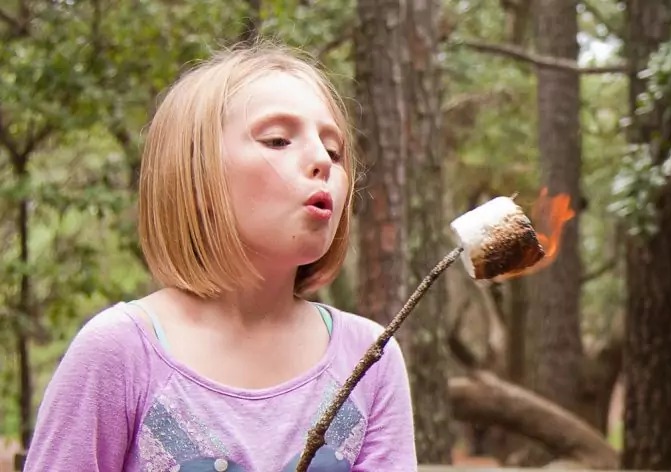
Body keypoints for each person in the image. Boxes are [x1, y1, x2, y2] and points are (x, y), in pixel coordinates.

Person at [23, 40, 417, 472]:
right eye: (278, 139)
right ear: (195, 180)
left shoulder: (370, 359)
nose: (322, 159)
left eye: (335, 150)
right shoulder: (120, 352)